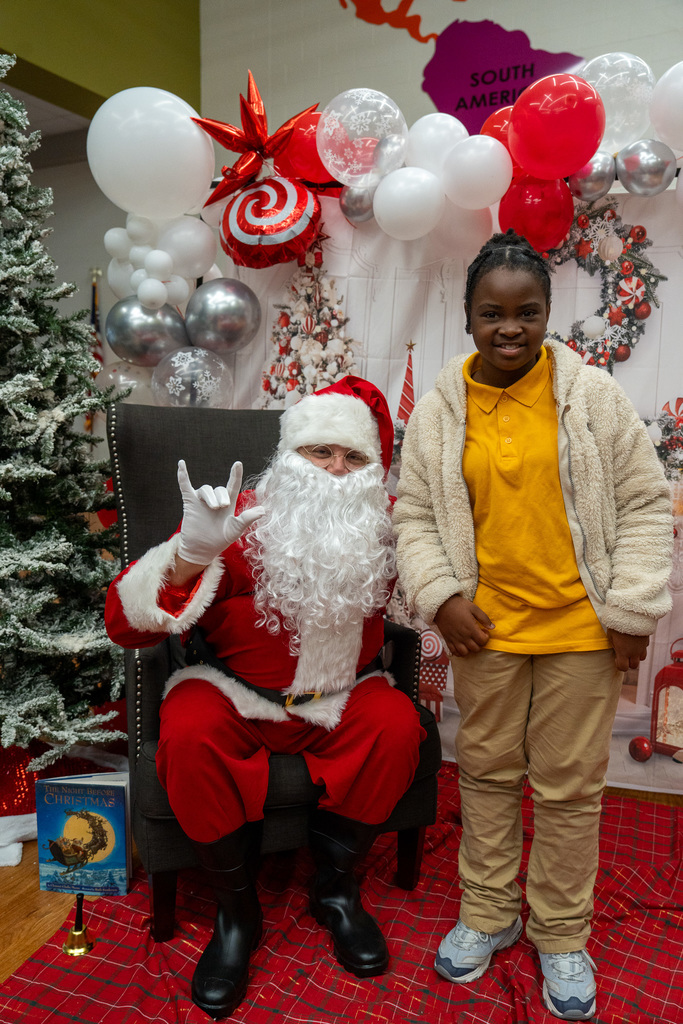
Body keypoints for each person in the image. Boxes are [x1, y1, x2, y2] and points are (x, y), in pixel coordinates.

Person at [393, 231, 673, 1021]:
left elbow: (647, 505)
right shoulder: (444, 407)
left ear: (548, 314)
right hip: (485, 632)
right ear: (467, 316)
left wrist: (629, 613)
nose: (508, 327)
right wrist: (441, 596)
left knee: (568, 789)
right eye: (491, 313)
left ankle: (559, 932)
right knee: (482, 777)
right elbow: (414, 511)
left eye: (525, 312)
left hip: (581, 634)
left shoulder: (592, 399)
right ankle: (487, 912)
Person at [105, 375, 425, 1021]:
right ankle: (236, 914)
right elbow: (124, 624)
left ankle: (335, 892)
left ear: (371, 470)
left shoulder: (382, 527)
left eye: (353, 457)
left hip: (339, 696)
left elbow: (438, 576)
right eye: (320, 451)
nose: (336, 470)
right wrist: (192, 554)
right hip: (236, 693)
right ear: (290, 455)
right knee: (190, 733)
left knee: (397, 726)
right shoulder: (236, 516)